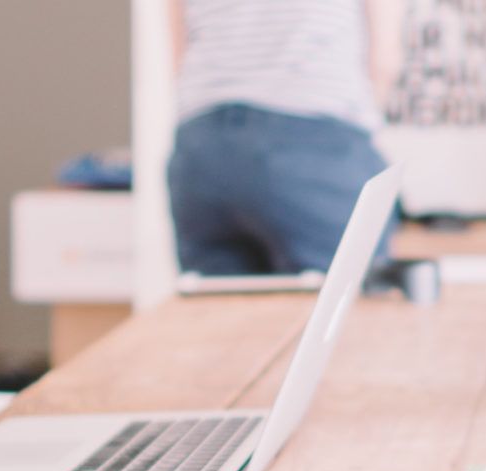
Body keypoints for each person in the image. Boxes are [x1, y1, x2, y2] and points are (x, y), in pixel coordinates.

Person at [165, 0, 402, 274]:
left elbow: (178, 48)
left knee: (220, 308)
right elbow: (384, 60)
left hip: (202, 142)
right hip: (313, 130)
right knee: (345, 304)